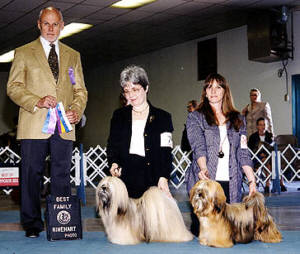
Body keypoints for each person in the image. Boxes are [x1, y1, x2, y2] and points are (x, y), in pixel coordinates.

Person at [6, 6, 88, 238]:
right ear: (38, 25)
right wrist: (37, 101)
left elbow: (80, 90)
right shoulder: (23, 52)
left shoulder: (73, 55)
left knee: (62, 173)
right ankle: (32, 224)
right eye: (46, 24)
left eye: (55, 24)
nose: (51, 29)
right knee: (32, 173)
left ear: (62, 26)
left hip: (64, 123)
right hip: (34, 122)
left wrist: (75, 110)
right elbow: (13, 87)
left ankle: (61, 223)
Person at [185, 73, 256, 235]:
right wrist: (203, 168)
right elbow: (198, 146)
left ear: (225, 91)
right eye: (209, 87)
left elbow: (243, 152)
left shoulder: (238, 119)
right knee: (204, 233)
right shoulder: (195, 117)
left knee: (232, 234)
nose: (213, 91)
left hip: (231, 185)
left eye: (218, 87)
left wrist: (251, 180)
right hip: (207, 183)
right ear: (205, 91)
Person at [107, 65, 173, 199]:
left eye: (135, 89)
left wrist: (163, 177)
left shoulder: (163, 117)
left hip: (153, 178)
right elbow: (113, 145)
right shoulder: (118, 116)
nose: (131, 95)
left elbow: (166, 151)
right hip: (125, 177)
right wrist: (114, 163)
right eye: (126, 91)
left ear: (146, 88)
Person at [248, 117, 286, 193]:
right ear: (257, 126)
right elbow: (250, 150)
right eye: (260, 125)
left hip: (268, 156)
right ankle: (268, 184)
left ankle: (281, 183)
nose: (262, 127)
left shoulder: (269, 135)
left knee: (276, 160)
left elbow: (272, 147)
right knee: (266, 161)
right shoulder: (253, 137)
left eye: (264, 125)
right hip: (257, 157)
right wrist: (259, 153)